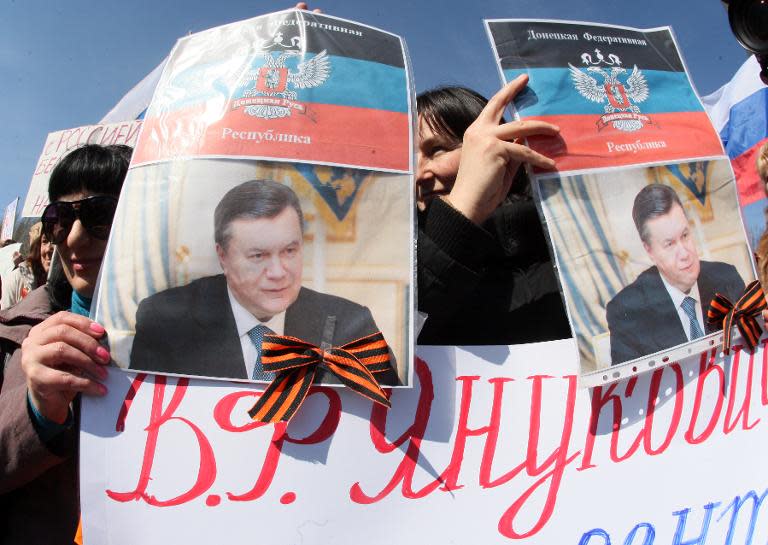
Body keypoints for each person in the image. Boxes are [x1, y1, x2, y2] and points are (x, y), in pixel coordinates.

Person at [130, 180, 399, 385]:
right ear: (222, 256)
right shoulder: (166, 320)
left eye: (289, 251)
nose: (278, 272)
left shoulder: (350, 323)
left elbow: (392, 418)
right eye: (258, 256)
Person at [0, 144, 131, 545]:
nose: (74, 238)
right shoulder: (11, 335)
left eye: (99, 216)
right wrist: (38, 410)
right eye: (60, 219)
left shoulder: (207, 337)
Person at [416, 77, 571, 344]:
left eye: (437, 149)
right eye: (407, 160)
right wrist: (461, 213)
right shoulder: (396, 275)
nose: (419, 174)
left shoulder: (570, 255)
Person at [606, 183, 746, 365]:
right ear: (649, 250)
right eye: (670, 244)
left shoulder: (727, 277)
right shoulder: (626, 311)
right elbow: (631, 389)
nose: (685, 253)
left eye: (685, 235)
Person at [0, 232, 53, 310]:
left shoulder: (72, 285)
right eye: (45, 241)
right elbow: (4, 318)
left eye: (55, 242)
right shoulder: (16, 279)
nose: (48, 249)